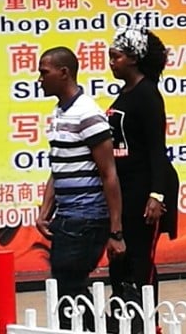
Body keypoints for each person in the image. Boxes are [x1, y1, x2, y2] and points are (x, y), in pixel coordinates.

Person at [35, 47, 126, 321]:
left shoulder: (87, 114)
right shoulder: (61, 113)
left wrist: (116, 231)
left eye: (44, 73)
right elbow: (59, 166)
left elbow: (109, 173)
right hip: (68, 217)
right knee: (65, 285)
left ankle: (104, 326)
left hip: (86, 218)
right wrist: (45, 209)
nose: (40, 79)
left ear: (64, 73)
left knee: (67, 284)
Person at [105, 27, 179, 331]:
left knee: (141, 263)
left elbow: (156, 150)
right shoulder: (124, 93)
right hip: (124, 190)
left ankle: (148, 324)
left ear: (133, 59)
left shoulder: (148, 94)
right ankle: (124, 319)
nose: (111, 63)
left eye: (116, 57)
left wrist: (156, 195)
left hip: (144, 191)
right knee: (120, 261)